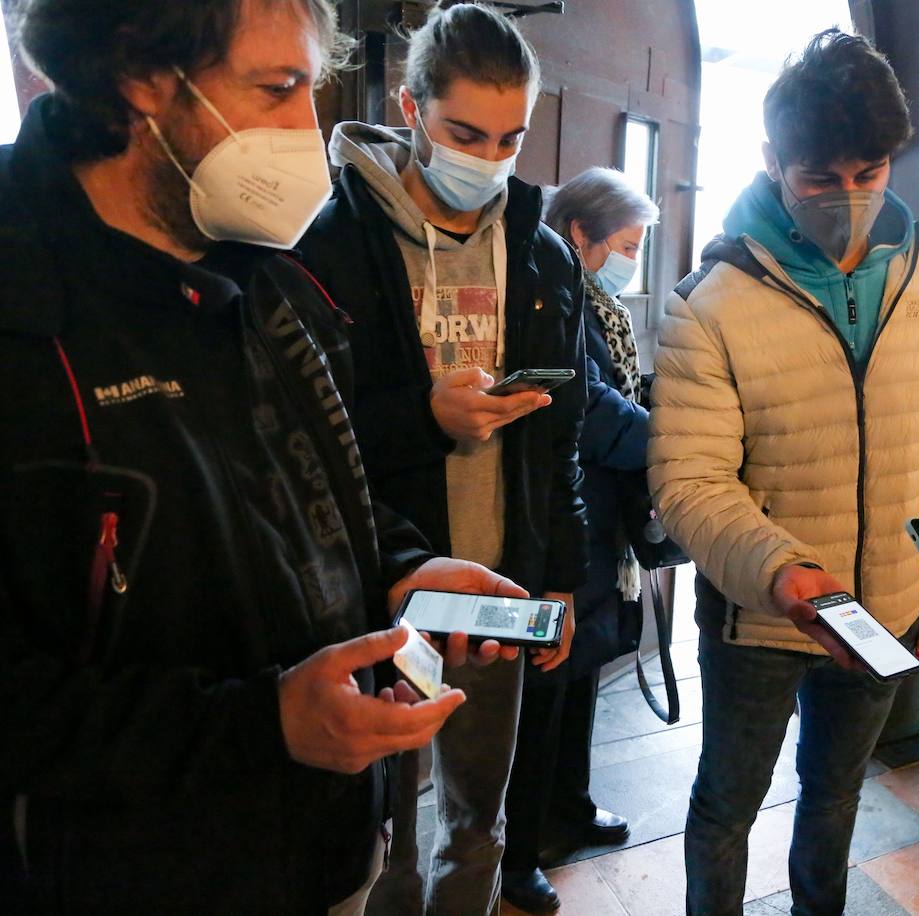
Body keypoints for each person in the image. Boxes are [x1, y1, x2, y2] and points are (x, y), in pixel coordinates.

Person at [0, 1, 530, 913]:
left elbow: (309, 493)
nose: (307, 133)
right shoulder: (24, 309)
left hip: (326, 851)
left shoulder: (270, 271)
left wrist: (401, 571)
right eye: (278, 90)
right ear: (139, 77)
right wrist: (262, 725)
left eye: (309, 90)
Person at [648, 29, 919, 915]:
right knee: (726, 805)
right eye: (820, 177)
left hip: (891, 606)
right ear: (773, 163)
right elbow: (688, 482)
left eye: (870, 172)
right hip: (763, 620)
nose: (849, 197)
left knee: (835, 796)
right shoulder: (709, 302)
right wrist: (783, 574)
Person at [296, 4, 586, 914]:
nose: (489, 158)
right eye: (465, 132)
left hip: (499, 586)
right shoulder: (332, 242)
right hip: (380, 585)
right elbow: (304, 441)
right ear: (412, 109)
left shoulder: (538, 254)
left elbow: (561, 437)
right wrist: (425, 417)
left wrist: (564, 578)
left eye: (511, 137)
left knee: (479, 819)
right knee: (382, 829)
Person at [499, 167, 659, 912]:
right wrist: (669, 443)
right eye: (625, 245)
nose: (631, 261)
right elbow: (592, 410)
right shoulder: (546, 296)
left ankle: (572, 806)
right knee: (546, 689)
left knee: (585, 673)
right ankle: (521, 849)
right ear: (579, 235)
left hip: (597, 526)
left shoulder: (598, 304)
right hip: (561, 518)